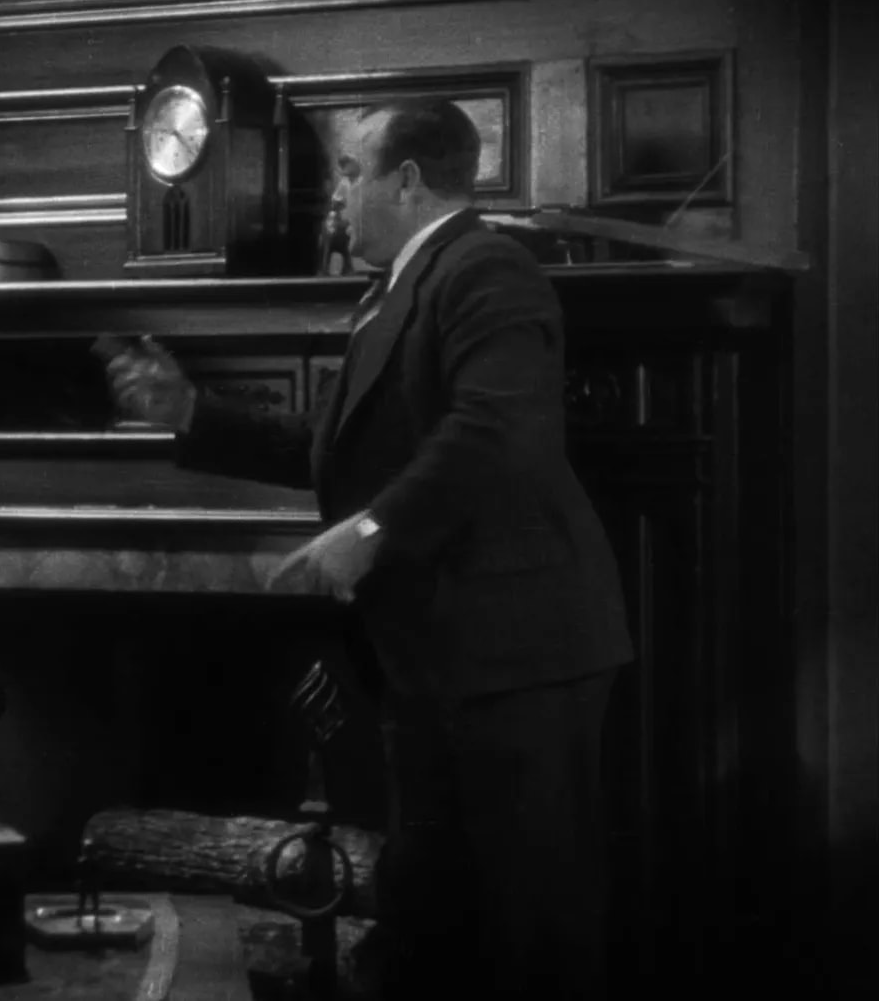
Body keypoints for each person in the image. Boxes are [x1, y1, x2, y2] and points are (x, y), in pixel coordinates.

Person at [102, 97, 634, 998]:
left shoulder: (488, 269)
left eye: (351, 173)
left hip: (515, 655)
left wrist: (371, 532)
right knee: (430, 916)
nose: (336, 197)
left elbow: (495, 433)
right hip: (435, 660)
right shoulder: (392, 290)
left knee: (532, 925)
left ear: (408, 180)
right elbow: (340, 445)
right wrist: (192, 415)